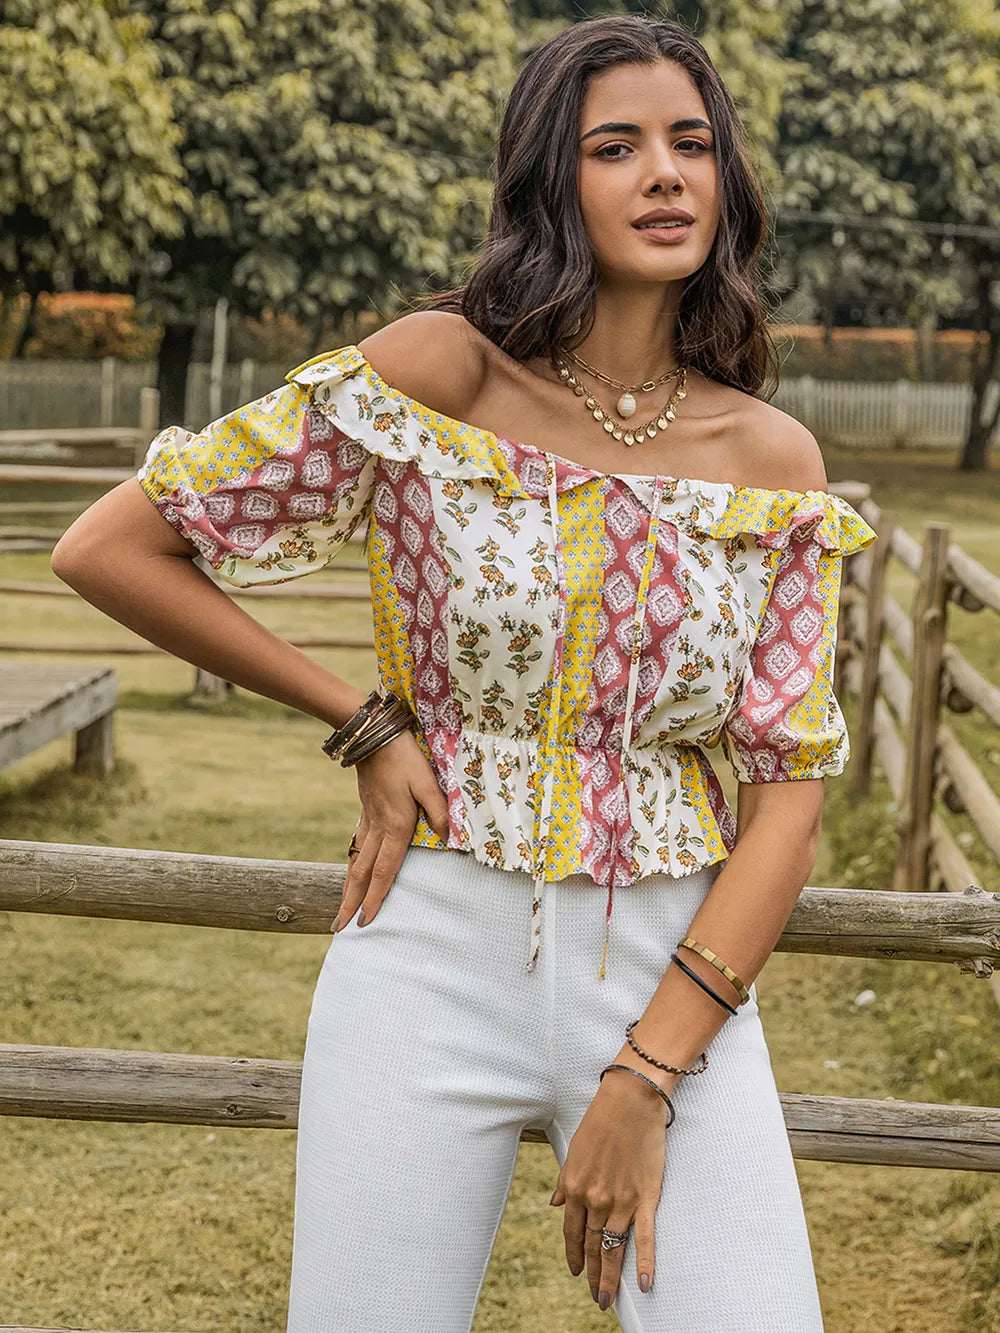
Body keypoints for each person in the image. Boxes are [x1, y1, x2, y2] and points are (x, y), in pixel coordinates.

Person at [52, 14, 877, 1333]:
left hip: (678, 968)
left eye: (691, 144)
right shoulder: (441, 376)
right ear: (555, 178)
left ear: (726, 183)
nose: (664, 173)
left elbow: (787, 795)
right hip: (425, 956)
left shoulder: (772, 460)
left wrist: (648, 1071)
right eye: (617, 147)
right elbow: (111, 546)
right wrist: (365, 720)